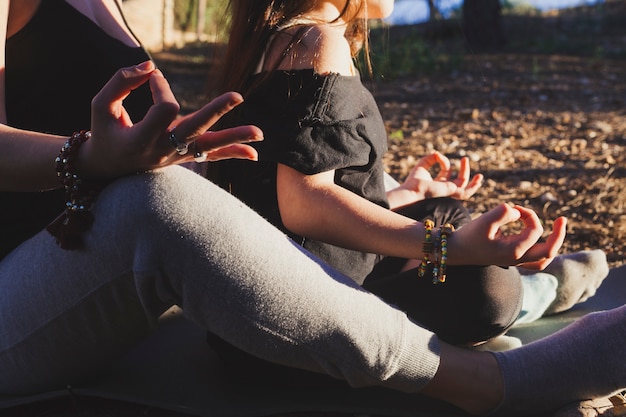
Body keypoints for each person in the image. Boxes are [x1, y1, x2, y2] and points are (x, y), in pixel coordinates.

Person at [1, 2, 625, 417]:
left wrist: (398, 195)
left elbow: (246, 192)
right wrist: (84, 158)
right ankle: (486, 383)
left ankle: (534, 291)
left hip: (90, 268)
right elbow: (293, 200)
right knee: (154, 204)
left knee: (168, 194)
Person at [206, 0, 609, 343]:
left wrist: (409, 192)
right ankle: (534, 292)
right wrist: (448, 248)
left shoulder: (278, 40)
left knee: (445, 211)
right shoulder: (317, 41)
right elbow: (303, 206)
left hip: (286, 283)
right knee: (490, 289)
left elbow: (282, 202)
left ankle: (458, 275)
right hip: (302, 314)